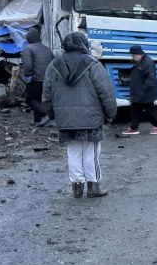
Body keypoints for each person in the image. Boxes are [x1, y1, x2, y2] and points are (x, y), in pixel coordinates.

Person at [43, 32, 118, 199]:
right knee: (91, 152)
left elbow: (46, 94)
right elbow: (106, 92)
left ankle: (77, 187)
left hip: (65, 118)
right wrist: (110, 113)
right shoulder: (93, 64)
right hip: (91, 117)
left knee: (73, 151)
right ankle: (93, 186)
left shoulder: (54, 64)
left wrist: (53, 114)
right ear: (84, 44)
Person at [122, 45, 157, 135]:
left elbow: (151, 78)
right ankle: (134, 127)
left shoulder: (148, 62)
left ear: (139, 54)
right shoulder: (141, 61)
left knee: (149, 109)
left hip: (145, 92)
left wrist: (143, 90)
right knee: (136, 109)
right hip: (140, 91)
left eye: (133, 56)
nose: (132, 57)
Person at [20, 27, 54, 126]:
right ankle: (37, 120)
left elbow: (28, 64)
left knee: (30, 99)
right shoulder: (47, 49)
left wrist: (28, 75)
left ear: (28, 38)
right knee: (38, 99)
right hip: (48, 79)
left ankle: (47, 114)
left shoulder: (28, 48)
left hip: (36, 78)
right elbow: (53, 63)